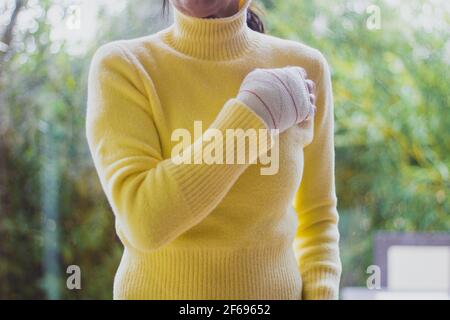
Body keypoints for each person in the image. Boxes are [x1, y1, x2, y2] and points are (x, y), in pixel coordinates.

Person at [86, 0, 341, 300]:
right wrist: (256, 113)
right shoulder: (123, 66)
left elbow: (317, 218)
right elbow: (144, 223)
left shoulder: (304, 68)